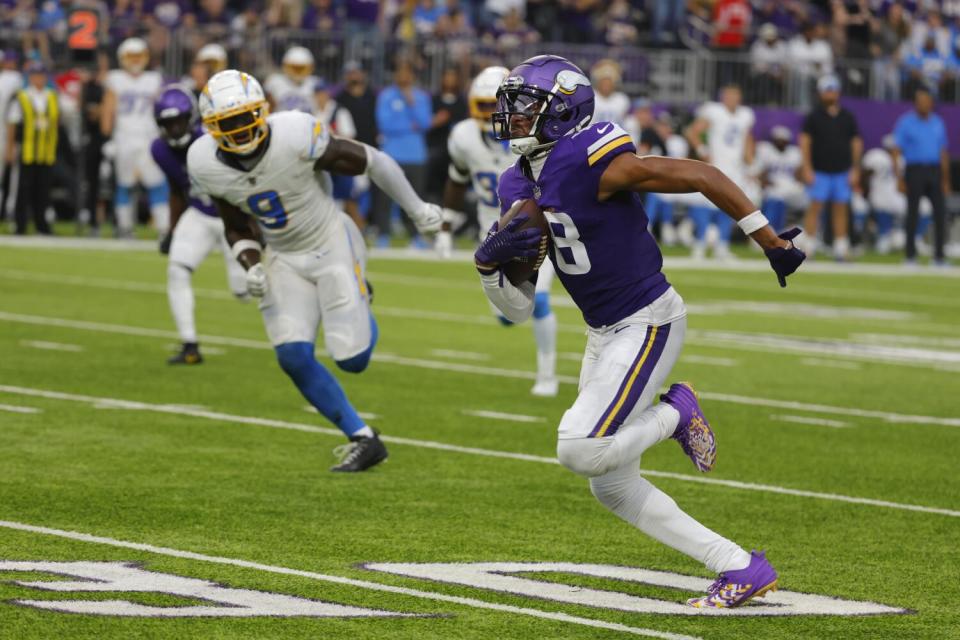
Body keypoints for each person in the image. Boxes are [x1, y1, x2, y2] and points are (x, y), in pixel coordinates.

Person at [480, 54, 804, 608]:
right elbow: (517, 308)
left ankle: (677, 410)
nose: (511, 116)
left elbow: (702, 175)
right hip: (604, 331)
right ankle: (739, 565)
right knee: (611, 484)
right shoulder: (516, 180)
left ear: (562, 111)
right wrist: (489, 268)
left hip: (648, 320)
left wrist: (769, 238)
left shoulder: (591, 157)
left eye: (525, 106)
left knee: (580, 449)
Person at [188, 70, 443, 471]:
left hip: (330, 241)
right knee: (292, 355)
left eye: (245, 117)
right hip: (283, 256)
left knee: (352, 359)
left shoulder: (295, 133)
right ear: (210, 128)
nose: (239, 130)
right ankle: (362, 437)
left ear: (263, 111)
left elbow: (372, 160)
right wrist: (250, 263)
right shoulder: (204, 162)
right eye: (228, 123)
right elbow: (235, 224)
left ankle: (362, 296)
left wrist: (416, 208)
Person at [440, 66, 559, 397]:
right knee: (508, 315)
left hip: (537, 228)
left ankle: (547, 375)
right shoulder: (463, 137)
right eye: (483, 105)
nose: (491, 115)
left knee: (540, 300)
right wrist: (446, 225)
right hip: (492, 234)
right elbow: (457, 176)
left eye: (496, 106)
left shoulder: (533, 137)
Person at [152, 85, 248, 365]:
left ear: (191, 118)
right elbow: (176, 189)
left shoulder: (212, 141)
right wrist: (171, 230)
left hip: (234, 216)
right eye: (168, 124)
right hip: (200, 214)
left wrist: (255, 224)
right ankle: (190, 344)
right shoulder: (159, 149)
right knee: (177, 270)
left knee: (246, 290)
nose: (174, 129)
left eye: (179, 122)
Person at [100, 37, 168, 239]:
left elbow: (160, 109)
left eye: (139, 56)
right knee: (125, 184)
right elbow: (108, 110)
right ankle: (124, 226)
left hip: (149, 138)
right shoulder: (115, 78)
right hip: (125, 138)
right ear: (123, 58)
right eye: (132, 56)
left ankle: (163, 227)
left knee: (156, 183)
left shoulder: (154, 79)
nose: (136, 60)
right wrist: (108, 135)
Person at [684, 84, 756, 260]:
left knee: (730, 206)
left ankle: (722, 246)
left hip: (736, 168)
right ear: (723, 97)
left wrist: (750, 163)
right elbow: (692, 132)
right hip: (716, 166)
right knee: (706, 205)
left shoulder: (745, 115)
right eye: (729, 95)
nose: (732, 99)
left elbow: (746, 139)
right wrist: (703, 152)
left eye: (736, 95)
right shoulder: (714, 111)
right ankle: (700, 244)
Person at [799, 74, 861, 260]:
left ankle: (840, 246)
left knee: (840, 208)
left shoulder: (847, 117)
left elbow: (856, 143)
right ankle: (809, 245)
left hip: (842, 171)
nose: (830, 94)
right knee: (815, 207)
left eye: (832, 90)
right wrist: (807, 167)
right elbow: (805, 142)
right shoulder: (814, 116)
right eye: (827, 90)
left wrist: (855, 168)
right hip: (820, 171)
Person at [373, 57, 432, 247]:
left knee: (416, 199)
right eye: (401, 72)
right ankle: (383, 235)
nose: (404, 76)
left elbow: (424, 123)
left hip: (416, 155)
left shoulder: (421, 97)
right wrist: (410, 125)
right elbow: (385, 124)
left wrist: (411, 104)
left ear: (413, 76)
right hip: (391, 154)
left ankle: (417, 236)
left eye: (408, 72)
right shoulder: (386, 96)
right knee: (385, 198)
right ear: (396, 75)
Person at [891, 85, 951, 266]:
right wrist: (899, 177)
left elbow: (943, 152)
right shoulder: (906, 122)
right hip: (914, 170)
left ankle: (939, 256)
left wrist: (945, 179)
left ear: (931, 103)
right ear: (915, 104)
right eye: (919, 102)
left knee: (940, 213)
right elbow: (896, 151)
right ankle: (910, 256)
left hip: (934, 170)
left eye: (926, 101)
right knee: (912, 213)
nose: (923, 105)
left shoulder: (938, 122)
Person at [5, 61, 59, 235]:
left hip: (46, 150)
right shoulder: (22, 96)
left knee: (43, 190)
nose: (39, 78)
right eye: (35, 75)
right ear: (30, 77)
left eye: (42, 75)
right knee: (23, 190)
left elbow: (58, 120)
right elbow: (12, 124)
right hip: (27, 150)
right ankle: (20, 225)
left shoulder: (52, 95)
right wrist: (10, 148)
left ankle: (41, 225)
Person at [862, 134, 933, 255]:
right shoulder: (878, 156)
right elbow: (864, 176)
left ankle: (916, 238)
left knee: (926, 206)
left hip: (901, 196)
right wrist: (866, 193)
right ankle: (884, 236)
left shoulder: (907, 159)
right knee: (880, 202)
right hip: (881, 195)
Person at [755, 125, 805, 232]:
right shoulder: (766, 151)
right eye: (778, 140)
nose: (780, 142)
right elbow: (760, 173)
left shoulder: (794, 153)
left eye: (783, 140)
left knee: (808, 198)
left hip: (791, 188)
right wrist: (766, 181)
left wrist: (799, 182)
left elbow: (800, 174)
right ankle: (769, 230)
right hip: (773, 187)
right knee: (775, 196)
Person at [264, 46, 318, 114]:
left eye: (301, 69)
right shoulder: (274, 82)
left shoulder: (315, 84)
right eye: (294, 68)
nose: (298, 72)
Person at [0, 49, 21, 221]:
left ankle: (10, 211)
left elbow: (13, 114)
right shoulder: (12, 80)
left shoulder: (10, 79)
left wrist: (10, 143)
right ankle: (10, 211)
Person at [590, 60, 630, 128]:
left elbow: (624, 122)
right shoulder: (591, 97)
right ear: (598, 82)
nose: (606, 84)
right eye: (603, 81)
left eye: (609, 82)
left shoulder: (622, 99)